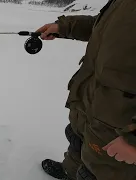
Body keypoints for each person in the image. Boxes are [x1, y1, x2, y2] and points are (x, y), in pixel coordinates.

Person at [35, 0, 136, 179]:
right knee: (77, 140)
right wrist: (64, 27)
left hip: (122, 122)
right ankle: (70, 171)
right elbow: (107, 24)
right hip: (92, 99)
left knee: (100, 171)